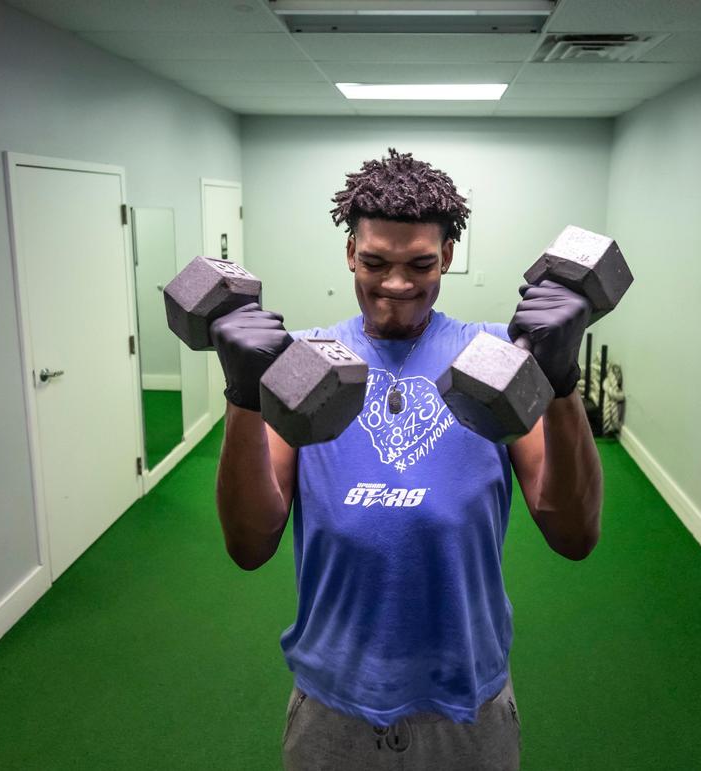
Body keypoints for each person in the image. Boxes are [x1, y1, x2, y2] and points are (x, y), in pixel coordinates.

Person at [209, 149, 603, 770]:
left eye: (421, 263)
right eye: (375, 262)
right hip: (333, 696)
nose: (396, 284)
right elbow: (249, 543)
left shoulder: (497, 356)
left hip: (467, 697)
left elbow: (574, 533)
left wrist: (562, 385)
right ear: (350, 254)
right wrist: (242, 399)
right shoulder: (303, 362)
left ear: (446, 256)